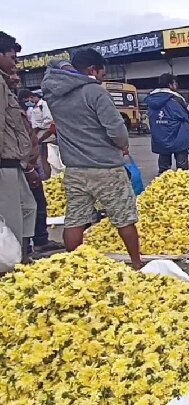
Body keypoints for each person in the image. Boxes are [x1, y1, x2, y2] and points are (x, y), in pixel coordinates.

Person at [42, 48, 143, 270]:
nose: (102, 78)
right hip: (105, 167)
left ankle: (75, 266)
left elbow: (54, 63)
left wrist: (66, 67)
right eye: (101, 74)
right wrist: (122, 145)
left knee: (75, 219)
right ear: (91, 70)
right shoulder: (94, 92)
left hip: (75, 168)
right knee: (124, 217)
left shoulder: (53, 93)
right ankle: (136, 264)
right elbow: (117, 131)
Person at [7, 71, 63, 257]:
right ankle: (29, 247)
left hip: (26, 160)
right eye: (12, 72)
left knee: (33, 204)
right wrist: (28, 166)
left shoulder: (16, 103)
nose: (15, 76)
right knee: (29, 206)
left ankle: (35, 243)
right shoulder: (8, 102)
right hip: (18, 163)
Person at [0, 32, 37, 265]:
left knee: (28, 207)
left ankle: (21, 258)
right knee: (12, 216)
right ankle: (11, 267)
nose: (16, 63)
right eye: (12, 57)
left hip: (13, 161)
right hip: (3, 162)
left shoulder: (4, 83)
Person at [146, 73, 189, 175]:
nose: (176, 86)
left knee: (164, 169)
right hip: (178, 137)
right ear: (170, 84)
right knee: (182, 170)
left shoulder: (151, 99)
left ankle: (164, 188)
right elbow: (185, 117)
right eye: (175, 83)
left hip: (160, 137)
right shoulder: (176, 98)